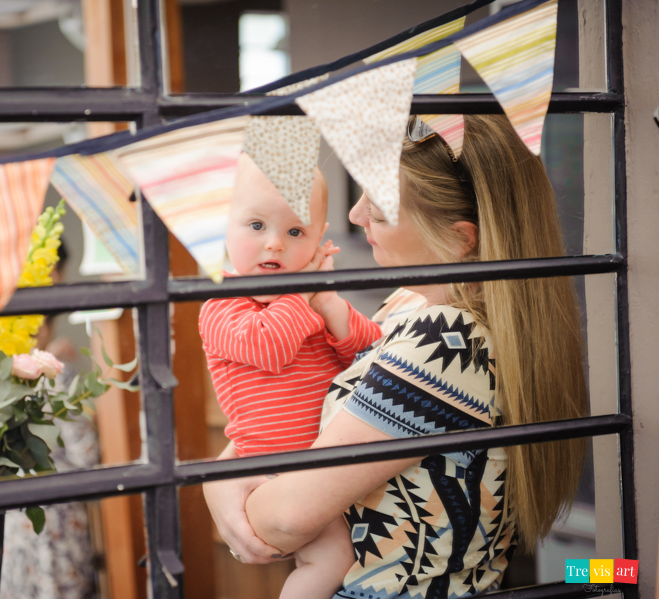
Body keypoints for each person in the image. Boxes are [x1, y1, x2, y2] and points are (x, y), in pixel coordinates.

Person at [203, 114, 588, 598]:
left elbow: (284, 519)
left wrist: (221, 488)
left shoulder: (446, 343)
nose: (354, 215)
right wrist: (217, 481)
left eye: (380, 209)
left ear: (461, 239)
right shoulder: (412, 305)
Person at [199, 153, 382, 599]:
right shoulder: (220, 306)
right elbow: (269, 348)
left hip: (322, 469)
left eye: (296, 231)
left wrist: (333, 308)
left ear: (320, 240)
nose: (275, 244)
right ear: (223, 228)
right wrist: (304, 295)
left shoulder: (310, 302)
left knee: (337, 559)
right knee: (328, 559)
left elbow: (368, 352)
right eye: (256, 226)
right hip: (274, 474)